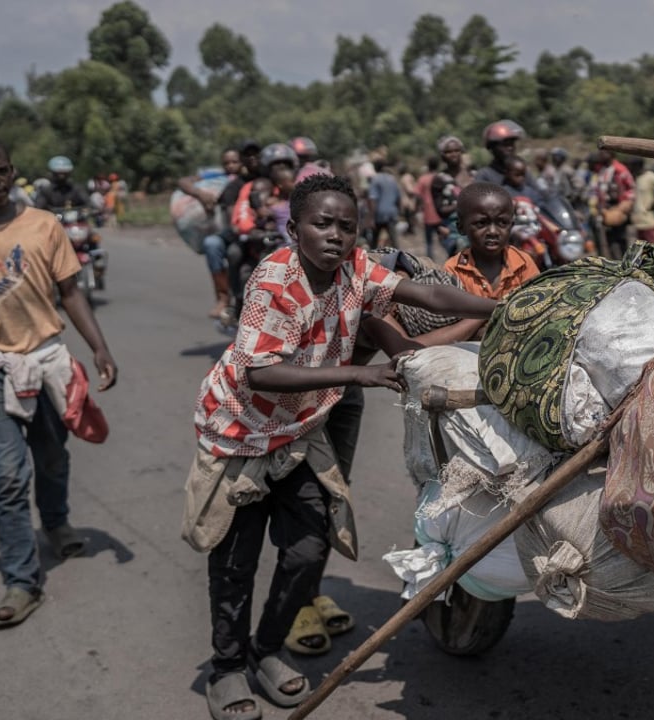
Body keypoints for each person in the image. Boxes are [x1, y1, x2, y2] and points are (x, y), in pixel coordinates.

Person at [183, 174, 498, 719]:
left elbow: (424, 292)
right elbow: (259, 372)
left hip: (301, 430)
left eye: (346, 226)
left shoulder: (355, 269)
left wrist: (497, 307)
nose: (335, 235)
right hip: (241, 434)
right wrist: (358, 374)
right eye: (321, 224)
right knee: (234, 562)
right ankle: (228, 668)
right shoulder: (274, 279)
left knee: (308, 549)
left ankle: (267, 650)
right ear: (294, 228)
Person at [0, 133, 118, 629]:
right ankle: (21, 580)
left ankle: (55, 522)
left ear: (12, 171)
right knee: (8, 473)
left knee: (53, 455)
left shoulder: (43, 225)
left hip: (47, 360)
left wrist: (99, 347)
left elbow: (71, 291)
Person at [445, 182, 541, 303]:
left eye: (502, 223)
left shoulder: (522, 263)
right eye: (481, 223)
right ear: (461, 228)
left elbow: (536, 307)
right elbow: (454, 315)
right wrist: (499, 310)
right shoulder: (454, 270)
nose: (493, 232)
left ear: (511, 226)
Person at [179, 147, 246, 319]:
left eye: (234, 162)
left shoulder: (249, 177)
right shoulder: (216, 177)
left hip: (250, 227)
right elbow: (184, 182)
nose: (231, 166)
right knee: (211, 245)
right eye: (226, 163)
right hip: (228, 230)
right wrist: (200, 194)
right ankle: (223, 297)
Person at [430, 136, 473, 257]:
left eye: (456, 150)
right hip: (453, 228)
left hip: (476, 224)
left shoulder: (473, 175)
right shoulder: (440, 180)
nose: (453, 154)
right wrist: (461, 204)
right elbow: (440, 210)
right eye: (448, 152)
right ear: (442, 156)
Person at [593, 149, 636, 260]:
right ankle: (614, 263)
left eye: (604, 152)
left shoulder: (620, 170)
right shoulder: (602, 170)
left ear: (611, 154)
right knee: (609, 240)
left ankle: (624, 263)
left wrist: (624, 206)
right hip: (606, 209)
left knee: (621, 239)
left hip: (617, 208)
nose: (601, 155)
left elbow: (631, 189)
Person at [475, 119, 527, 186]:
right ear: (492, 147)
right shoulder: (485, 175)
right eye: (505, 144)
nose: (510, 148)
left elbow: (539, 194)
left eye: (512, 144)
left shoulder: (520, 171)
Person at [367, 158, 401, 248]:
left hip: (379, 214)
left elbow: (373, 199)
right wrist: (398, 211)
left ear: (375, 168)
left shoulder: (375, 180)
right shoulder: (392, 179)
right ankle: (398, 259)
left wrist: (371, 218)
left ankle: (371, 259)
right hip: (391, 213)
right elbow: (398, 198)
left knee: (374, 241)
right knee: (394, 241)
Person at [415, 156, 443, 257]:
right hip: (441, 213)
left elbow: (417, 196)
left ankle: (431, 261)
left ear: (428, 166)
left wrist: (416, 210)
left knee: (429, 241)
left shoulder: (423, 179)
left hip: (428, 213)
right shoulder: (441, 178)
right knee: (444, 239)